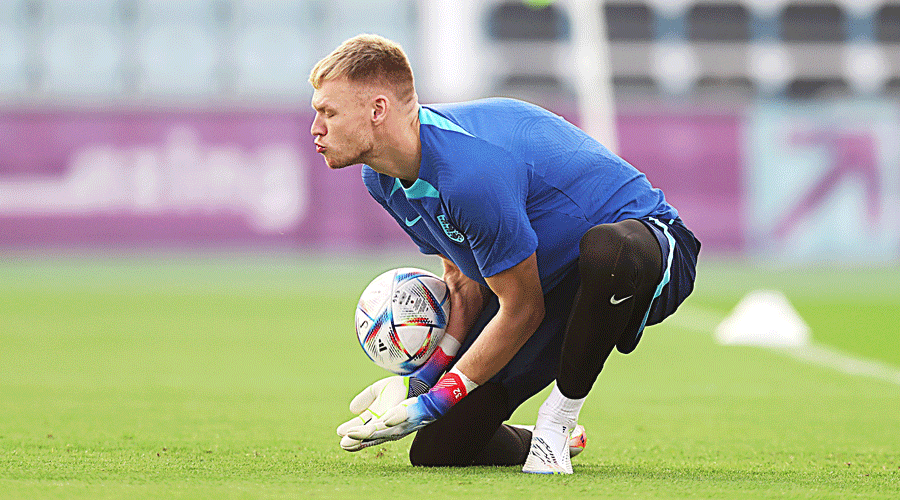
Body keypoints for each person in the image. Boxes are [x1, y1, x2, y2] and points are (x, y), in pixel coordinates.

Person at [310, 34, 700, 474]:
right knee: (440, 450)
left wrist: (433, 400)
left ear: (377, 110)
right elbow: (464, 283)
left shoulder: (469, 174)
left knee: (607, 251)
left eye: (328, 112)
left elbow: (522, 310)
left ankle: (558, 421)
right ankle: (551, 439)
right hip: (545, 283)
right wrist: (420, 382)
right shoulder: (380, 180)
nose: (316, 128)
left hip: (645, 248)